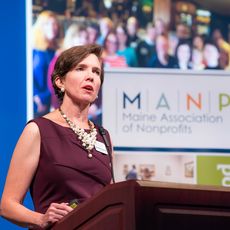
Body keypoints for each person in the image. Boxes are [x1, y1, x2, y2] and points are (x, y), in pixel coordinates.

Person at [0, 44, 114, 229]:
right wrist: (40, 219)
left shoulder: (104, 137)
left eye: (96, 72)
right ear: (60, 81)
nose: (90, 76)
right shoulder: (38, 130)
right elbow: (7, 205)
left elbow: (111, 202)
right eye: (80, 68)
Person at [32, 10, 60, 118]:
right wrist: (36, 97)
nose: (52, 27)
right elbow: (29, 77)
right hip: (37, 102)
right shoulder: (34, 50)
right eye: (47, 24)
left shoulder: (58, 51)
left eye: (54, 24)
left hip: (53, 101)